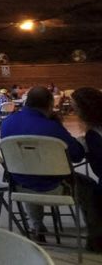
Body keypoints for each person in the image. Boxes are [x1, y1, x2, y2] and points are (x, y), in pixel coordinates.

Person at [0, 86, 85, 239]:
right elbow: (77, 155)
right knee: (89, 186)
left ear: (26, 102)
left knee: (29, 172)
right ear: (50, 104)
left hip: (20, 187)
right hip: (56, 188)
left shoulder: (7, 123)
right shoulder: (52, 127)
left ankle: (37, 225)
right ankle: (95, 236)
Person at [71, 87, 102, 252]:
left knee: (82, 185)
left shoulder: (91, 136)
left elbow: (75, 156)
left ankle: (96, 239)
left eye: (75, 109)